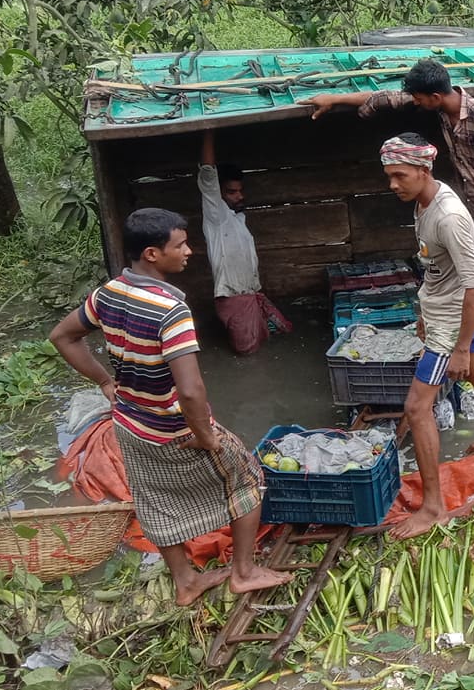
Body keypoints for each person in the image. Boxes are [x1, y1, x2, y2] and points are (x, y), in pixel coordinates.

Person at [49, 208, 293, 606]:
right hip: (171, 427)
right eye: (179, 245)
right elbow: (192, 390)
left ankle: (185, 582)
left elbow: (62, 336)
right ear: (151, 253)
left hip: (128, 423)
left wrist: (106, 383)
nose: (189, 251)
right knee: (246, 479)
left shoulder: (107, 293)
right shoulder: (170, 311)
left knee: (154, 500)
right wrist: (205, 436)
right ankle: (244, 572)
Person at [305, 61, 474, 363]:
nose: (415, 103)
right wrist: (335, 99)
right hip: (469, 202)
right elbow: (384, 98)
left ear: (434, 95)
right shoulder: (439, 106)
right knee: (473, 268)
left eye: (418, 98)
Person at [378, 134, 474, 540]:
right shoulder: (424, 204)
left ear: (423, 170)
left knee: (417, 408)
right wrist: (424, 309)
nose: (393, 184)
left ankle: (433, 506)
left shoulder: (448, 216)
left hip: (452, 322)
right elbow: (446, 270)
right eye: (388, 177)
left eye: (399, 175)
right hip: (443, 312)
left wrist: (456, 344)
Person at [199, 130, 293, 354]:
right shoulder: (217, 216)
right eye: (232, 192)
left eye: (240, 191)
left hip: (252, 295)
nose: (239, 196)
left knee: (281, 332)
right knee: (247, 351)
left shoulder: (237, 219)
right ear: (218, 195)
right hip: (233, 298)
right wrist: (208, 129)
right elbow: (208, 174)